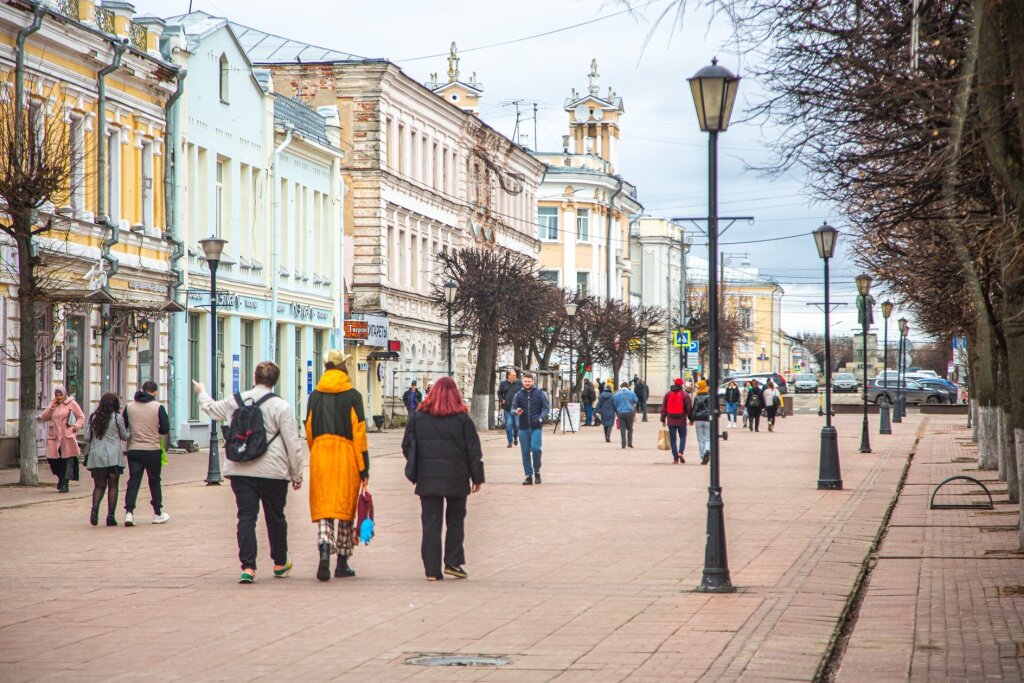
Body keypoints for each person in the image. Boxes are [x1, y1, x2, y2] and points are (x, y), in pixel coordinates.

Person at [194, 361, 306, 584]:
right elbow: (292, 442)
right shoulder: (281, 406)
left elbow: (212, 409)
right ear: (275, 381)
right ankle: (280, 562)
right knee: (275, 517)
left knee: (246, 517)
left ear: (254, 378)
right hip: (273, 471)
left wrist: (202, 392)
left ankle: (248, 567)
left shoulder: (236, 400)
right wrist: (297, 474)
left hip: (241, 468)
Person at [402, 376, 484, 581]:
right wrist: (477, 477)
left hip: (428, 478)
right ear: (455, 394)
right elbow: (473, 451)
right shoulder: (462, 419)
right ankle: (453, 563)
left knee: (430, 522)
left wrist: (418, 465)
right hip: (457, 477)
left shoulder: (418, 417)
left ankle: (431, 570)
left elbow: (406, 446)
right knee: (455, 520)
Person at [306, 350, 368, 582]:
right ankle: (342, 562)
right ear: (344, 367)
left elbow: (309, 429)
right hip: (346, 455)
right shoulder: (353, 396)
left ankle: (324, 547)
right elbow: (359, 433)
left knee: (325, 505)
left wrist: (318, 450)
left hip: (321, 454)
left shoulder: (315, 396)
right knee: (345, 507)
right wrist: (364, 468)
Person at [123, 380, 170, 525]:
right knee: (154, 480)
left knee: (133, 481)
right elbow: (165, 429)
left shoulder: (129, 407)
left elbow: (123, 426)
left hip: (134, 450)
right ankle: (157, 513)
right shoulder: (158, 407)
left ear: (142, 389)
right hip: (152, 450)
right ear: (155, 392)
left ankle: (129, 513)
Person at [84, 393, 128, 525]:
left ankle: (95, 507)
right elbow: (124, 436)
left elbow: (86, 437)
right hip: (114, 457)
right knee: (113, 486)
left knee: (99, 486)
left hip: (97, 456)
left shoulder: (93, 417)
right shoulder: (117, 418)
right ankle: (110, 516)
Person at [39, 384, 85, 493]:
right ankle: (60, 478)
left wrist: (74, 427)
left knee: (66, 461)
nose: (59, 397)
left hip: (67, 437)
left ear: (64, 394)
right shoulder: (53, 404)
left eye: (60, 395)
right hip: (54, 437)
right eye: (56, 395)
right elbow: (44, 417)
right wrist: (51, 406)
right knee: (53, 460)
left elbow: (81, 417)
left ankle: (65, 483)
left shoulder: (71, 403)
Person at [510, 372, 549, 485]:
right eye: (525, 381)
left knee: (536, 449)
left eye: (529, 381)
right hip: (523, 428)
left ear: (533, 382)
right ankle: (528, 475)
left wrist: (541, 417)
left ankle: (537, 471)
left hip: (536, 427)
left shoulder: (540, 393)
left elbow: (546, 408)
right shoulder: (518, 395)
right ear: (523, 382)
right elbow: (512, 409)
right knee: (525, 452)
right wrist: (516, 412)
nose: (527, 383)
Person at [660, 378, 693, 463]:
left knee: (673, 439)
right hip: (681, 419)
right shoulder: (684, 395)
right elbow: (688, 408)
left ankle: (675, 459)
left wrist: (663, 419)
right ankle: (681, 452)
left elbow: (664, 407)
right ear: (682, 384)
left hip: (671, 420)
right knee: (682, 437)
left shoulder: (668, 394)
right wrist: (691, 419)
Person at [497, 370, 523, 448]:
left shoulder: (519, 383)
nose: (515, 376)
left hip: (517, 408)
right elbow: (499, 393)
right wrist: (502, 400)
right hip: (507, 408)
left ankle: (515, 437)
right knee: (508, 425)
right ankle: (510, 442)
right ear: (508, 376)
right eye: (513, 375)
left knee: (517, 424)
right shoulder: (503, 384)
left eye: (515, 375)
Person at [690, 380, 713, 465]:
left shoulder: (697, 397)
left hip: (698, 419)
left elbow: (694, 410)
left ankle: (703, 456)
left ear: (699, 388)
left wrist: (691, 420)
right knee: (707, 438)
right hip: (707, 419)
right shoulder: (710, 396)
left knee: (700, 439)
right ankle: (707, 450)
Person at [612, 382, 639, 449]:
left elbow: (615, 403)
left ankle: (623, 444)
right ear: (627, 386)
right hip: (630, 412)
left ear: (621, 387)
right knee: (630, 428)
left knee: (622, 428)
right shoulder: (631, 393)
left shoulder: (617, 394)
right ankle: (629, 443)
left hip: (620, 413)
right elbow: (636, 400)